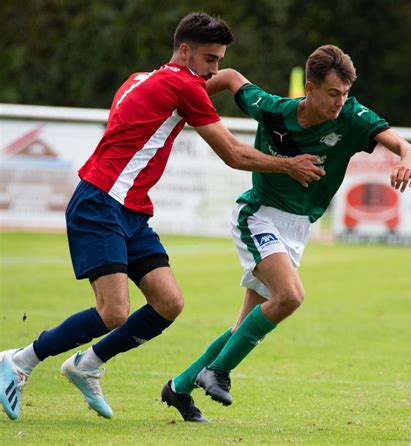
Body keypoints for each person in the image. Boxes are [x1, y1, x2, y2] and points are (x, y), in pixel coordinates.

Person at [0, 13, 323, 421]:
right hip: (100, 202)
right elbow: (233, 154)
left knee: (168, 302)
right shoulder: (181, 85)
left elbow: (191, 94)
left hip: (130, 209)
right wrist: (290, 164)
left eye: (219, 60)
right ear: (184, 50)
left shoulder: (141, 78)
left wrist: (227, 80)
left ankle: (87, 364)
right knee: (113, 312)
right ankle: (19, 360)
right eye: (209, 58)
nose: (214, 69)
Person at [161, 44, 411, 422]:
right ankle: (215, 371)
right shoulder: (273, 110)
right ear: (310, 89)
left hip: (298, 228)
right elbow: (232, 77)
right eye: (333, 93)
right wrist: (179, 98)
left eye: (345, 94)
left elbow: (406, 148)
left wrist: (406, 163)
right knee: (290, 296)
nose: (340, 102)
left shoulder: (353, 117)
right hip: (258, 215)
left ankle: (179, 387)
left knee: (245, 327)